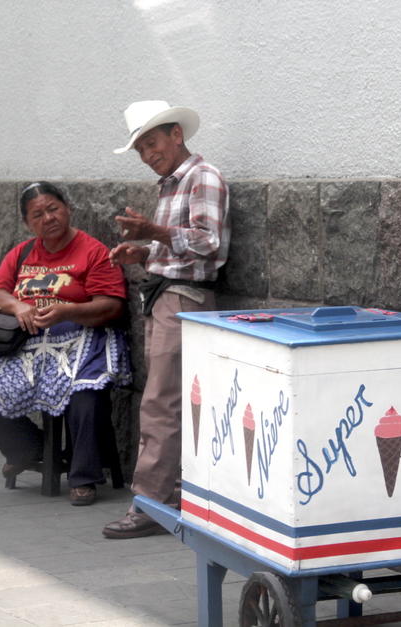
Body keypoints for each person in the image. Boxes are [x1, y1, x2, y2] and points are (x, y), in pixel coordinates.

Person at [0, 181, 131, 507]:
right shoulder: (22, 252)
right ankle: (26, 448)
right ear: (28, 223)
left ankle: (84, 476)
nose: (48, 218)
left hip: (81, 337)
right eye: (38, 214)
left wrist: (68, 310)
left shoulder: (93, 252)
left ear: (68, 209)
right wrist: (19, 306)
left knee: (86, 389)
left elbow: (112, 306)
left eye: (53, 209)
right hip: (28, 342)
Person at [103, 100, 230, 539]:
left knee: (161, 402)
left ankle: (151, 503)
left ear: (177, 134)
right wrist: (143, 252)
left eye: (152, 143)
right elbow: (178, 246)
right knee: (171, 400)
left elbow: (209, 243)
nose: (147, 154)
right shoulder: (171, 184)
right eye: (140, 148)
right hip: (165, 296)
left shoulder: (203, 177)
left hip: (182, 299)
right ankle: (173, 493)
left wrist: (152, 235)